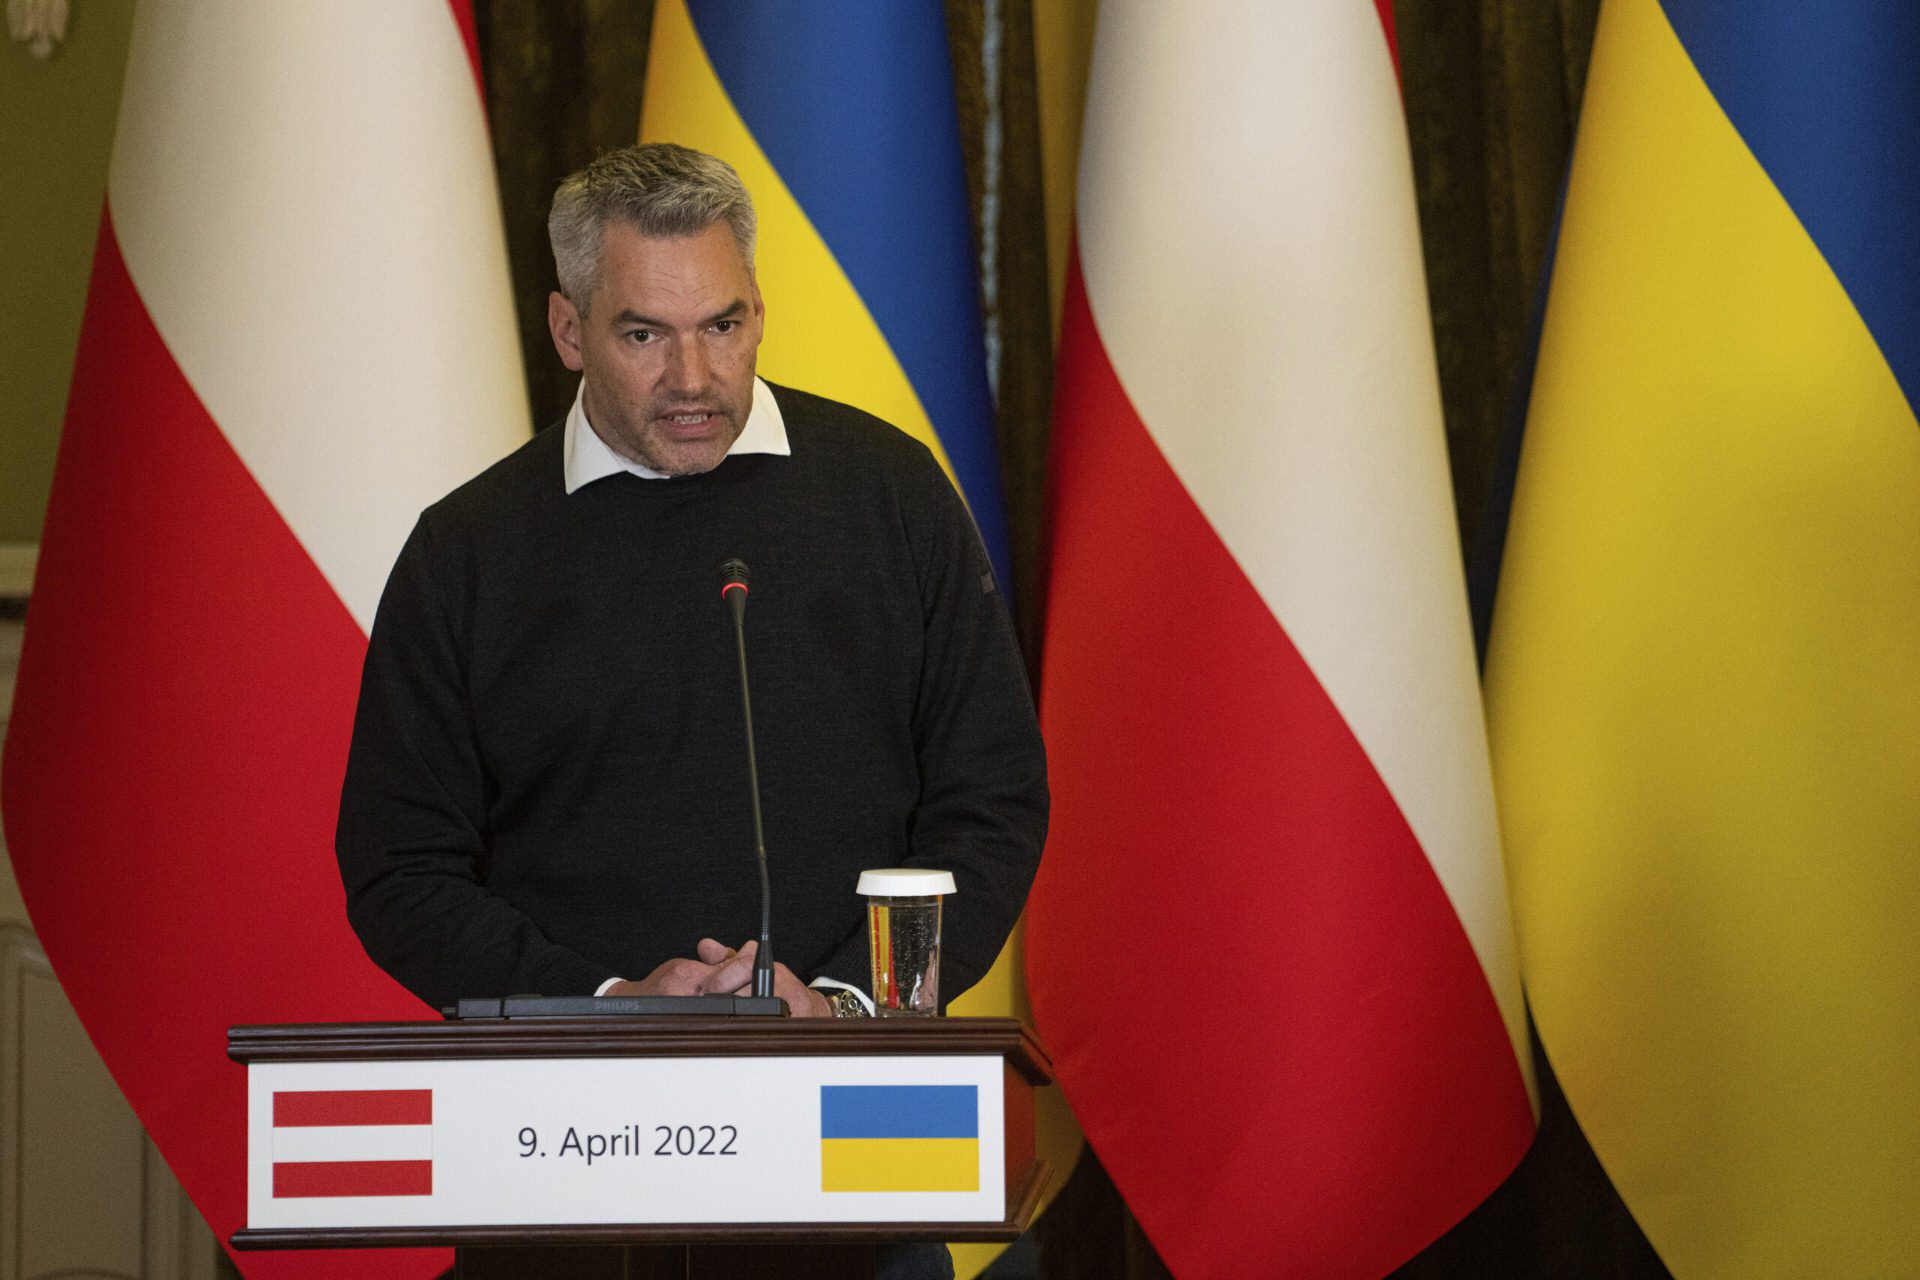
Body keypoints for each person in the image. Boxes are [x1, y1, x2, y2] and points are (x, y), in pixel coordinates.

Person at [335, 141, 1046, 1025]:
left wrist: (849, 1006)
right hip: (567, 1088)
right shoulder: (466, 551)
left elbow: (993, 801)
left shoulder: (891, 495)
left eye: (722, 326)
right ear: (568, 332)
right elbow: (400, 867)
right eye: (644, 335)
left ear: (760, 311)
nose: (694, 379)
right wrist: (602, 1006)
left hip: (852, 1073)